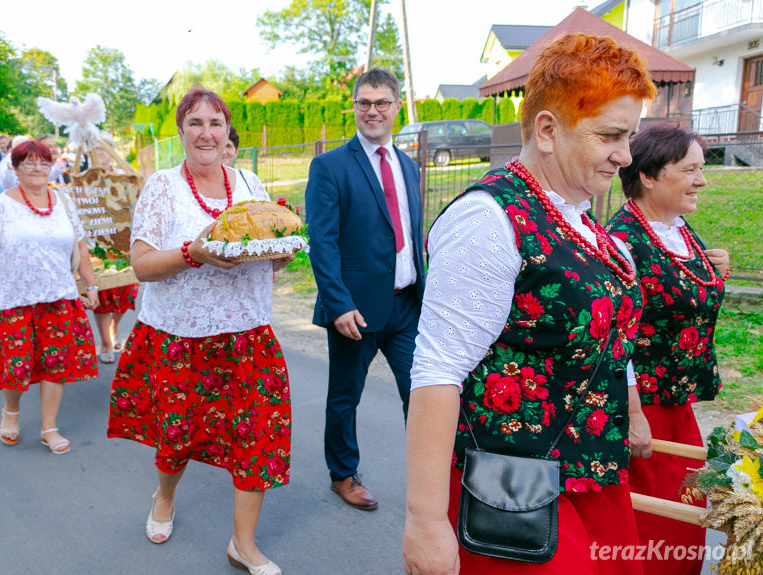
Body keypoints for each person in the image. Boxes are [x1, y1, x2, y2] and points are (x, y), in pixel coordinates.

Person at [402, 33, 657, 575]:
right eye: (611, 135)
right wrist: (425, 520)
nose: (626, 154)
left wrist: (631, 413)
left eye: (630, 136)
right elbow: (438, 369)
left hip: (590, 477)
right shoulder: (488, 220)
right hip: (513, 491)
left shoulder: (576, 214)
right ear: (547, 129)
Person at [107, 89, 292, 575]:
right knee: (178, 437)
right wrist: (195, 253)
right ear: (182, 130)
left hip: (248, 336)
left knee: (257, 438)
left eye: (215, 123)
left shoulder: (249, 181)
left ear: (226, 130)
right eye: (195, 123)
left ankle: (243, 545)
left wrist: (281, 251)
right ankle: (164, 497)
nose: (206, 132)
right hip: (180, 341)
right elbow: (142, 265)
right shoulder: (162, 187)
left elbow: (265, 251)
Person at [607, 124, 729, 575]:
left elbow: (681, 290)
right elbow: (613, 334)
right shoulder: (622, 239)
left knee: (690, 515)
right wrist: (635, 413)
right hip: (643, 408)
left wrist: (716, 268)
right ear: (650, 176)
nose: (702, 179)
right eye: (691, 169)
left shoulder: (676, 227)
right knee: (657, 524)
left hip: (679, 403)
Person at [305, 67, 424, 511]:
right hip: (355, 310)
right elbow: (323, 242)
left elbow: (409, 233)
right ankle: (343, 474)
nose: (372, 111)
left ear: (396, 106)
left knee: (422, 390)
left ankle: (429, 474)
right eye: (364, 103)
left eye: (381, 103)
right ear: (354, 107)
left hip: (407, 306)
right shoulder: (330, 166)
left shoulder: (408, 166)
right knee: (345, 398)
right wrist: (338, 304)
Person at [0, 139, 99, 454]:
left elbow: (80, 245)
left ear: (51, 167)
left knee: (55, 364)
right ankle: (11, 411)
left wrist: (90, 286)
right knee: (16, 365)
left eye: (43, 162)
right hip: (12, 300)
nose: (37, 168)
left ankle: (49, 427)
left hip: (59, 296)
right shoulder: (0, 204)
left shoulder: (62, 201)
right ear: (15, 167)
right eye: (29, 162)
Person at [89, 140, 139, 364]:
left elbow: (136, 192)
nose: (101, 154)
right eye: (97, 150)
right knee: (102, 295)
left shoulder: (123, 175)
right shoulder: (85, 179)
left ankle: (115, 326)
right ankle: (106, 342)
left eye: (104, 150)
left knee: (126, 292)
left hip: (122, 240)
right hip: (97, 243)